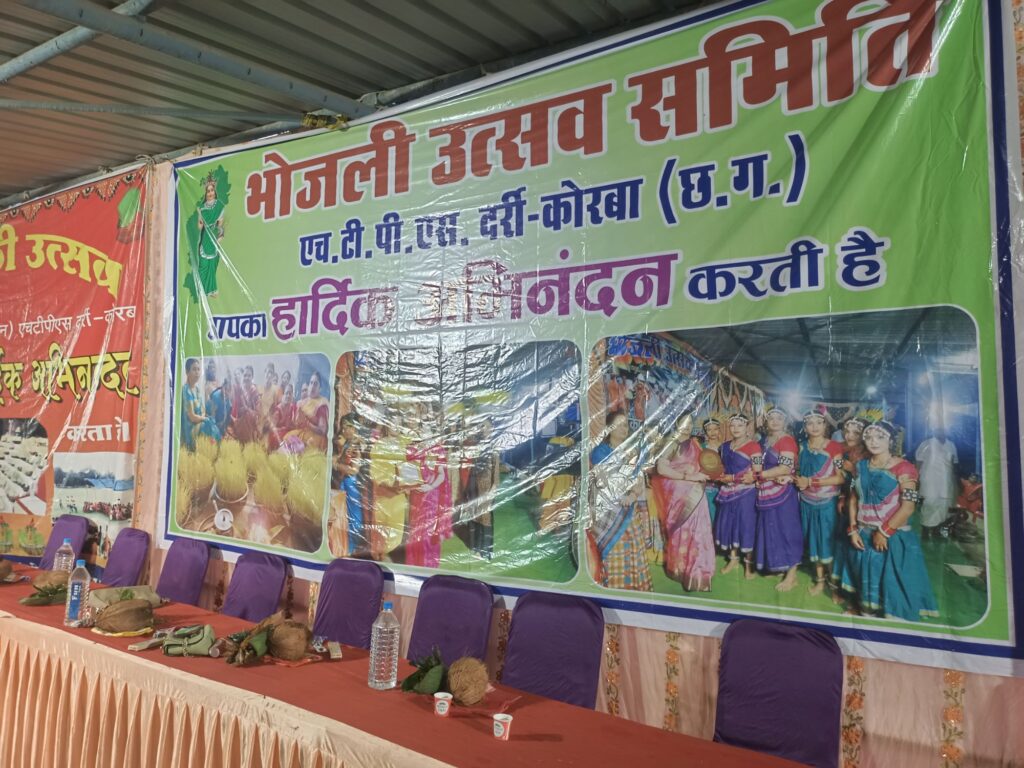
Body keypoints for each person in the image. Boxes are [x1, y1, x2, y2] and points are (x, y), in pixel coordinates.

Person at [844, 420, 938, 620]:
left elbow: (908, 507)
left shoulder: (905, 469)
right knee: (865, 577)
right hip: (863, 533)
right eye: (869, 437)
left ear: (891, 441)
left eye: (880, 437)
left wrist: (884, 532)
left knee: (891, 583)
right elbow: (853, 498)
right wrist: (852, 528)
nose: (873, 441)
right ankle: (865, 614)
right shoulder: (860, 466)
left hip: (891, 537)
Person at [590, 411, 653, 591]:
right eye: (617, 425)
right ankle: (612, 588)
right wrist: (622, 496)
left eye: (625, 425)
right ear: (609, 429)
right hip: (609, 509)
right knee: (613, 548)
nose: (623, 429)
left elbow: (639, 478)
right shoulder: (600, 452)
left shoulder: (633, 451)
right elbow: (603, 481)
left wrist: (632, 496)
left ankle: (634, 588)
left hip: (629, 507)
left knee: (632, 546)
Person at [650, 414, 714, 591]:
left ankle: (697, 573)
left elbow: (704, 465)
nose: (687, 426)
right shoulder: (671, 443)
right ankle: (680, 569)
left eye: (690, 423)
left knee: (699, 531)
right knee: (681, 530)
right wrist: (687, 476)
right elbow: (661, 469)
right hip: (676, 492)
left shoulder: (695, 444)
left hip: (696, 492)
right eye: (683, 422)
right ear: (677, 423)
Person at [796, 407, 846, 595]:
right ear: (804, 427)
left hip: (827, 503)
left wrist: (811, 482)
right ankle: (820, 581)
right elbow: (797, 471)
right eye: (810, 423)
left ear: (825, 425)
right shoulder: (801, 446)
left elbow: (841, 478)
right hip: (806, 502)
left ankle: (834, 586)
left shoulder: (834, 447)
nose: (814, 426)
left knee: (827, 543)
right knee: (813, 542)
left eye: (819, 422)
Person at [753, 408, 804, 591]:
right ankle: (777, 566)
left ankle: (792, 575)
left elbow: (784, 468)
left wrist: (759, 476)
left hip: (784, 493)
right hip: (766, 490)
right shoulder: (765, 440)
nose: (775, 422)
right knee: (770, 529)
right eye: (771, 418)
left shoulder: (787, 441)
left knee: (787, 531)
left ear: (785, 421)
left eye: (779, 418)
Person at [405, 408, 453, 568]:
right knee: (414, 530)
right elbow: (407, 469)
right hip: (416, 495)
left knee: (427, 531)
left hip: (430, 497)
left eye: (426, 429)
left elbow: (442, 475)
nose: (423, 432)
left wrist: (430, 486)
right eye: (421, 428)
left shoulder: (438, 450)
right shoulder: (413, 448)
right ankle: (414, 562)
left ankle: (427, 564)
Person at [715, 413, 760, 576]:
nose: (736, 429)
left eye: (740, 425)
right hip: (727, 492)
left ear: (747, 427)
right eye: (733, 425)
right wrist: (720, 476)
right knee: (730, 525)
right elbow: (721, 467)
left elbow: (757, 472)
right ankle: (733, 559)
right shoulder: (724, 446)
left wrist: (734, 478)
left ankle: (748, 565)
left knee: (746, 526)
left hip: (746, 493)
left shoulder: (754, 447)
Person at [369, 418, 415, 560]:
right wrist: (388, 482)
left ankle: (386, 556)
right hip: (384, 494)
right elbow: (374, 470)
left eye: (398, 423)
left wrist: (407, 483)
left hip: (399, 495)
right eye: (392, 422)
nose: (395, 426)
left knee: (397, 533)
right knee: (381, 529)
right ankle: (380, 557)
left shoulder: (404, 443)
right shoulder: (379, 445)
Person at [460, 417, 501, 561]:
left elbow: (496, 474)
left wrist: (492, 491)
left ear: (492, 429)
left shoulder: (494, 448)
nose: (484, 430)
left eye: (487, 427)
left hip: (486, 490)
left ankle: (487, 551)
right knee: (475, 518)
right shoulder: (477, 445)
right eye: (482, 427)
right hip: (474, 488)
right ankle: (476, 548)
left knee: (486, 520)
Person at [184, 174, 225, 300]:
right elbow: (200, 226)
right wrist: (200, 223)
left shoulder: (219, 205)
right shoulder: (201, 208)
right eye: (208, 191)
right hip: (205, 236)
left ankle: (212, 290)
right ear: (206, 193)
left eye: (212, 190)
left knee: (212, 265)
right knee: (203, 265)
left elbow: (220, 223)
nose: (210, 193)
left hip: (213, 235)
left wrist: (220, 234)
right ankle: (202, 289)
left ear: (215, 191)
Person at [915, 427, 959, 538]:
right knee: (929, 503)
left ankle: (937, 529)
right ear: (934, 431)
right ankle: (926, 529)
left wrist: (956, 482)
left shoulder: (951, 445)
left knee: (944, 504)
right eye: (938, 429)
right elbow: (918, 462)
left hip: (946, 482)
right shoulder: (926, 444)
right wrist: (916, 479)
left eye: (943, 429)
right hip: (929, 480)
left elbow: (954, 464)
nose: (941, 431)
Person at [283, 372, 330, 453]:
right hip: (302, 433)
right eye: (311, 383)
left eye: (315, 384)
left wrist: (306, 423)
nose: (312, 386)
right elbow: (297, 423)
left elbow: (322, 430)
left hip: (315, 438)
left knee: (297, 449)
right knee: (286, 440)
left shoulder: (321, 404)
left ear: (320, 388)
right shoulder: (304, 402)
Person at [181, 358, 220, 450]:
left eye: (198, 369)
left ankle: (215, 451)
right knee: (207, 425)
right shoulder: (186, 390)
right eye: (194, 369)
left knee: (213, 425)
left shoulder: (197, 390)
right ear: (187, 372)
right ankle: (204, 450)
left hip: (199, 422)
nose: (197, 372)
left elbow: (203, 410)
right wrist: (204, 419)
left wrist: (205, 418)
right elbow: (192, 417)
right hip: (190, 428)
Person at [701, 418, 722, 523]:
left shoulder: (725, 446)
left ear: (719, 430)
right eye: (709, 430)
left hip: (723, 485)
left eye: (715, 429)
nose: (713, 432)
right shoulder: (701, 448)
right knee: (710, 515)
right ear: (705, 432)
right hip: (707, 487)